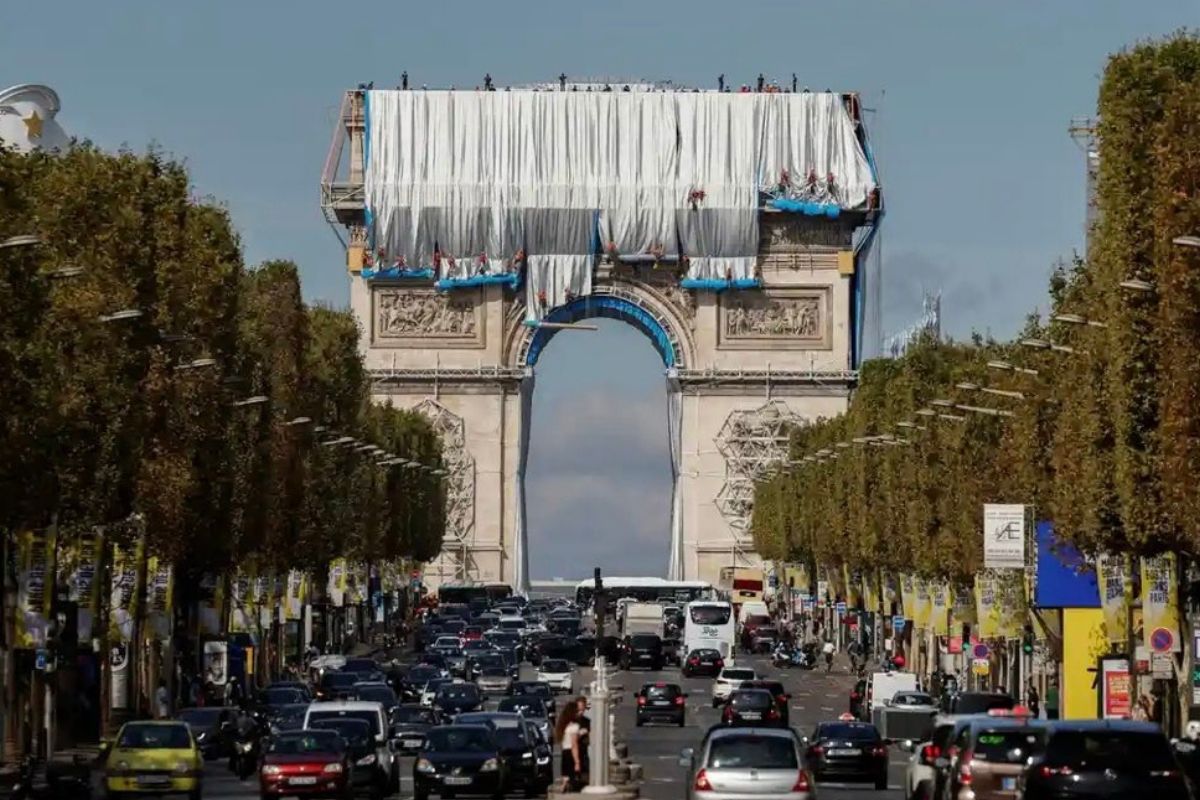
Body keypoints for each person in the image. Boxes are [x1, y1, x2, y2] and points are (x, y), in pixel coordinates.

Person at [554, 703, 584, 792]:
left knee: (565, 776)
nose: (579, 713)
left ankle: (563, 787)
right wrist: (577, 762)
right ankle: (565, 787)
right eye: (577, 711)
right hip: (571, 754)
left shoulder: (563, 726)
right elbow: (574, 745)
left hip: (565, 752)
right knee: (573, 779)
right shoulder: (574, 727)